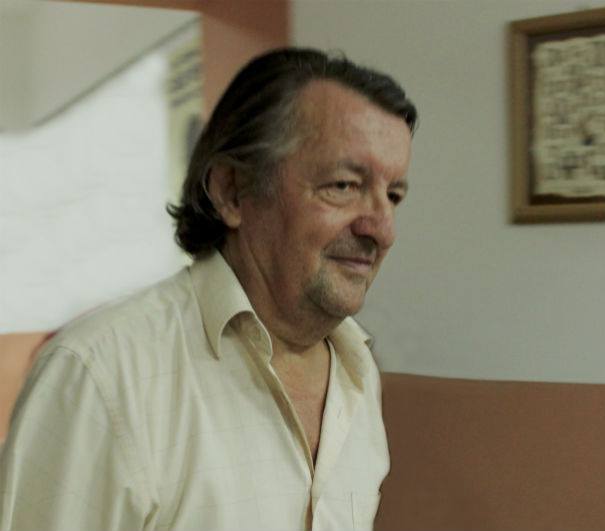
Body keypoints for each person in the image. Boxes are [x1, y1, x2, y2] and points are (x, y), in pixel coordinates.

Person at [0, 47, 417, 531]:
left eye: (393, 195)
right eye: (343, 186)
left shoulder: (357, 373)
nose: (382, 229)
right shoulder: (100, 376)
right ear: (232, 192)